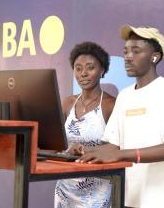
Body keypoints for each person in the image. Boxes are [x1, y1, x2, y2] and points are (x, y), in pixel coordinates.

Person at [77, 26, 164, 208]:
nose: (127, 56)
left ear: (154, 57)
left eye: (136, 51)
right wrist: (85, 150)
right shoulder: (124, 96)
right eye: (125, 51)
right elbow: (113, 145)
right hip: (130, 198)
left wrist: (119, 155)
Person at [54, 41, 116, 208]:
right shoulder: (68, 103)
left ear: (102, 70)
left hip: (98, 190)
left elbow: (117, 147)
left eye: (90, 67)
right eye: (78, 68)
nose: (83, 73)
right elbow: (56, 144)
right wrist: (68, 150)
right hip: (65, 188)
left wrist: (87, 150)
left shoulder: (110, 104)